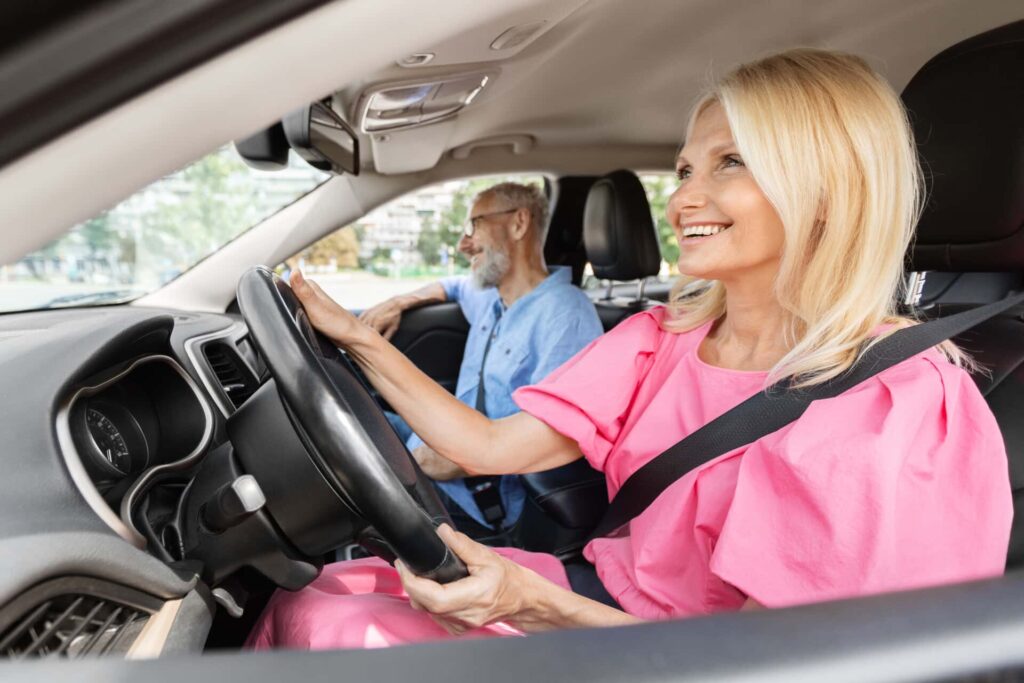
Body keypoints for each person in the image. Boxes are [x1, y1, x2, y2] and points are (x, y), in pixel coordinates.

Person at [247, 49, 1012, 650]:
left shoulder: (892, 400)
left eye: (730, 163)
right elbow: (483, 444)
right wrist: (353, 340)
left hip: (662, 654)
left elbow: (759, 664)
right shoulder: (664, 338)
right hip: (592, 599)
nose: (681, 198)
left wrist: (536, 604)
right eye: (683, 169)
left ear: (825, 188)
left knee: (336, 633)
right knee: (320, 590)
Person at [361, 182, 603, 533]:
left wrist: (435, 461)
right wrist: (400, 302)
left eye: (474, 225)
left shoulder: (566, 316)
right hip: (433, 447)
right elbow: (454, 286)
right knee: (348, 413)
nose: (463, 244)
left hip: (477, 497)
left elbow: (559, 437)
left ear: (519, 223)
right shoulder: (493, 298)